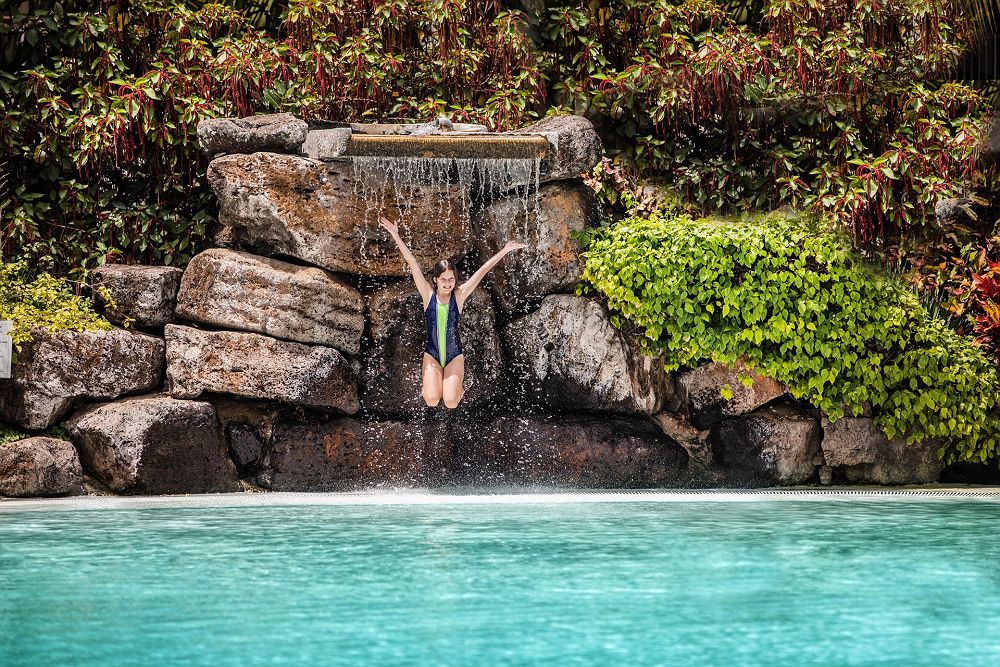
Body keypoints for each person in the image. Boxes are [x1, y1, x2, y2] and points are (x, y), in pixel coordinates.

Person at [379, 216, 527, 409]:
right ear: (436, 280)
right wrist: (396, 235)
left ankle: (456, 390)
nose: (448, 283)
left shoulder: (460, 295)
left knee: (450, 403)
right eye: (444, 279)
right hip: (432, 355)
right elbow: (411, 262)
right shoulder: (427, 294)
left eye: (451, 279)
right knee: (431, 400)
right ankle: (429, 385)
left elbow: (482, 270)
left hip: (454, 355)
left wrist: (505, 250)